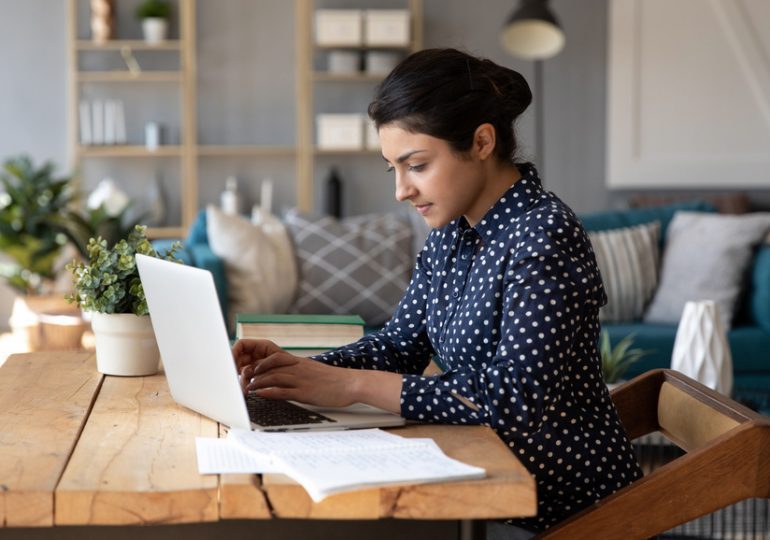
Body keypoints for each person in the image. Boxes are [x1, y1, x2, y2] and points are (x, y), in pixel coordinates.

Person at [233, 48, 643, 537]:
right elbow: (400, 345)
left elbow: (516, 399)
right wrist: (307, 368)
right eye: (394, 169)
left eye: (417, 165)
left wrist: (352, 386)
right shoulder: (451, 232)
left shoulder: (544, 235)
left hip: (565, 509)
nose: (401, 190)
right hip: (485, 484)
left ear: (482, 142)